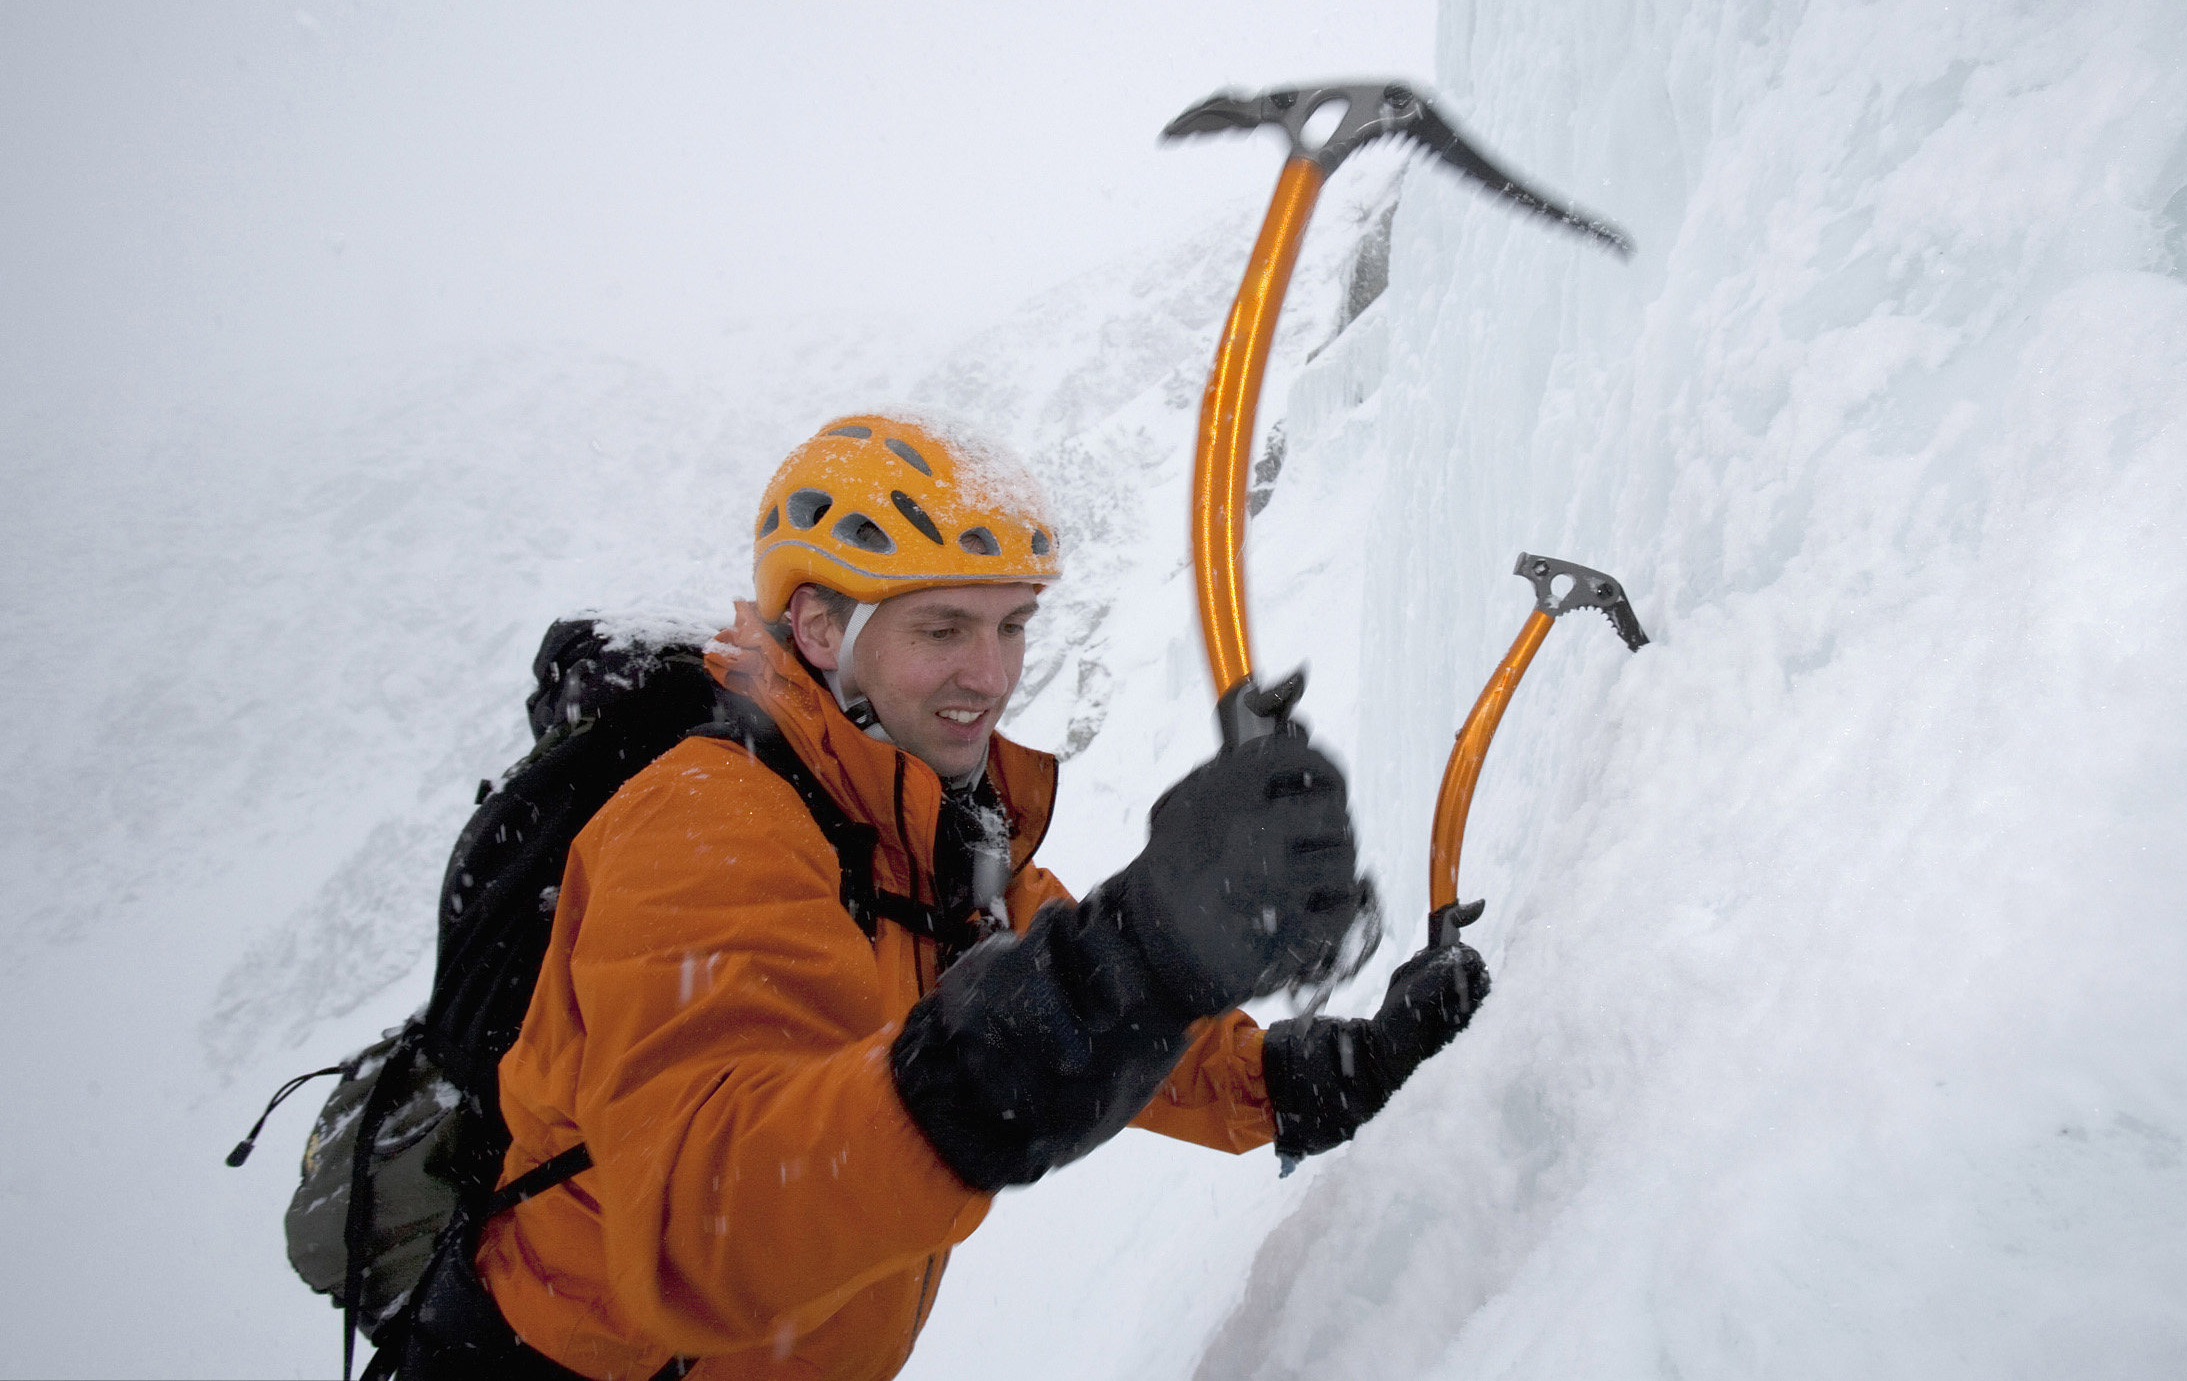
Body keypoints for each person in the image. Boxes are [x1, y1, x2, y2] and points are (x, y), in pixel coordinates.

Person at [402, 413, 1490, 1380]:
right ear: (821, 629)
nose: (992, 672)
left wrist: (1311, 1076)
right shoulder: (704, 824)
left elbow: (1080, 994)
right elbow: (711, 1214)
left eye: (1011, 624)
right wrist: (1138, 955)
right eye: (942, 629)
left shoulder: (931, 833)